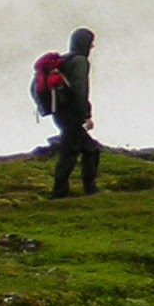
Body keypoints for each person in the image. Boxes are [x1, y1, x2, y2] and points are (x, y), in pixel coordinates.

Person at [51, 27, 101, 197]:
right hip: (72, 114)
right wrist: (86, 115)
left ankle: (68, 189)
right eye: (90, 42)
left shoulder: (64, 61)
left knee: (86, 149)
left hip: (60, 113)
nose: (92, 46)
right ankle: (66, 190)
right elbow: (81, 90)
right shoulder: (79, 62)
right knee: (74, 151)